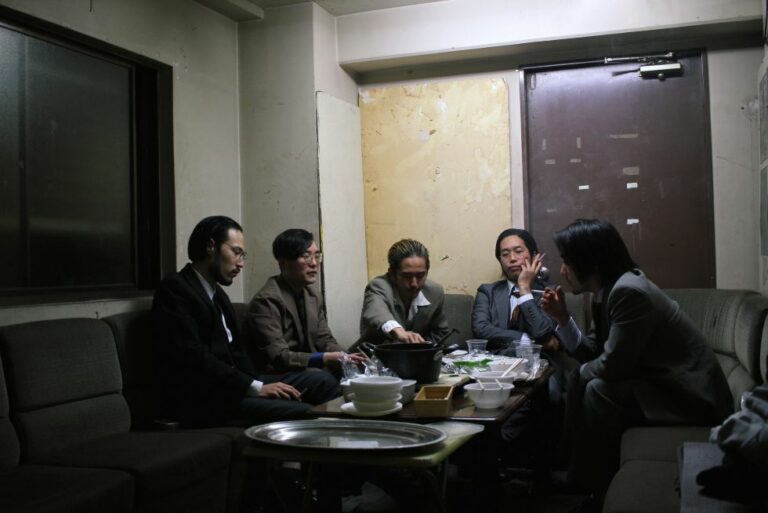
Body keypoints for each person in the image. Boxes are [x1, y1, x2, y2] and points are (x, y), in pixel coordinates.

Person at [540, 219, 732, 500]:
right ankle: (574, 471)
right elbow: (594, 353)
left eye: (567, 261)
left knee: (597, 389)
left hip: (691, 398)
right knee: (586, 380)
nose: (562, 270)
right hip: (657, 384)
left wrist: (580, 375)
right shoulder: (605, 292)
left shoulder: (628, 291)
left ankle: (585, 481)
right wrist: (562, 318)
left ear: (592, 262)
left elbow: (611, 365)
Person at [152, 216, 340, 428]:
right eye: (236, 252)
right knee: (307, 412)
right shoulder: (176, 289)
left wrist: (257, 383)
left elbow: (237, 353)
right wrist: (255, 387)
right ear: (211, 247)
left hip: (235, 384)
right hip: (205, 396)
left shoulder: (218, 294)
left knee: (321, 381)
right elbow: (194, 356)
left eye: (243, 255)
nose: (241, 263)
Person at [245, 228, 365, 374]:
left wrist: (347, 358)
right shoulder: (266, 301)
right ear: (283, 263)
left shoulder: (313, 296)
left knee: (359, 370)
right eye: (306, 256)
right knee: (320, 377)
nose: (314, 263)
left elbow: (325, 340)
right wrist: (324, 358)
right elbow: (279, 357)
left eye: (317, 256)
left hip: (308, 368)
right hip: (276, 374)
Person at [472, 228, 559, 352]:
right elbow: (481, 329)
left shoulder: (550, 293)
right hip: (496, 362)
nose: (512, 258)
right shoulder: (487, 292)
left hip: (536, 363)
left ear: (534, 256)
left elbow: (542, 333)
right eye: (505, 254)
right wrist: (525, 341)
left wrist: (524, 288)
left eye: (518, 251)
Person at [358, 239, 452, 346]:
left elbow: (440, 332)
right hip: (375, 353)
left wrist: (421, 348)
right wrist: (397, 331)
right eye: (407, 276)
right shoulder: (379, 286)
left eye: (420, 276)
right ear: (392, 273)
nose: (414, 284)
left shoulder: (434, 292)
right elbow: (376, 311)